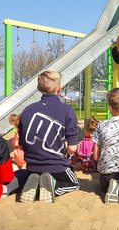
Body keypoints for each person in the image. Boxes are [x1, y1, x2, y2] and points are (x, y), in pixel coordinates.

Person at [18, 70, 80, 203]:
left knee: (24, 176)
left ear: (38, 88)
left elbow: (22, 144)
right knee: (74, 183)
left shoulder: (28, 110)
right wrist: (68, 155)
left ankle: (36, 186)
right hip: (57, 166)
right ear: (59, 88)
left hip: (32, 167)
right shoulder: (67, 110)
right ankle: (51, 185)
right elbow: (73, 148)